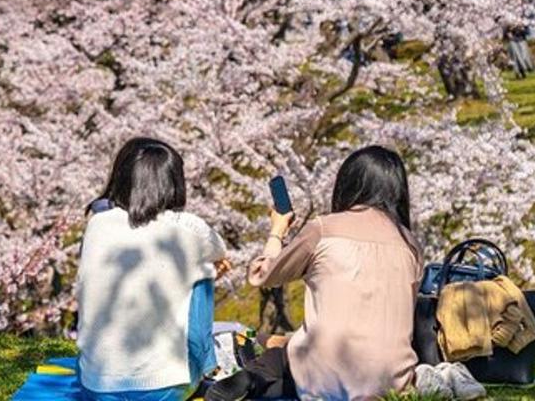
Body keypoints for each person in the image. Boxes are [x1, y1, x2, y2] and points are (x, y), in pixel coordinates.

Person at [206, 146, 421, 401]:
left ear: (348, 184)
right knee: (288, 345)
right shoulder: (410, 244)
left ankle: (247, 378)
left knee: (283, 353)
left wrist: (278, 228)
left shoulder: (325, 229)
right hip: (392, 379)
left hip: (326, 376)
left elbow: (263, 275)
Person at [76, 137, 228, 401]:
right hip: (163, 386)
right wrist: (210, 266)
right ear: (174, 182)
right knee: (204, 268)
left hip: (95, 383)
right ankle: (207, 369)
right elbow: (220, 250)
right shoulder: (188, 227)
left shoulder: (97, 223)